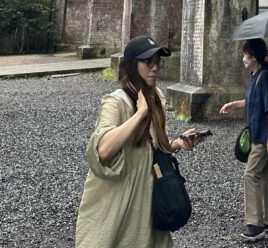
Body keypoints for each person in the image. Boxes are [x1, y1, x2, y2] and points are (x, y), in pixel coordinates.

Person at [75, 35, 201, 248]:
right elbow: (103, 150)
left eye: (157, 62)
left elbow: (152, 147)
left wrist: (177, 144)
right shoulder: (115, 102)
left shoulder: (156, 97)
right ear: (133, 66)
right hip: (118, 199)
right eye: (147, 62)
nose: (154, 68)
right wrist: (141, 112)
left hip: (148, 196)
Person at [220, 38, 268, 242]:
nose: (243, 59)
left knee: (250, 174)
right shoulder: (256, 76)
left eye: (245, 55)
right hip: (258, 132)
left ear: (254, 57)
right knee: (263, 175)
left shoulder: (264, 77)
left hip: (262, 135)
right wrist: (234, 104)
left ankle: (255, 225)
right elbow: (252, 101)